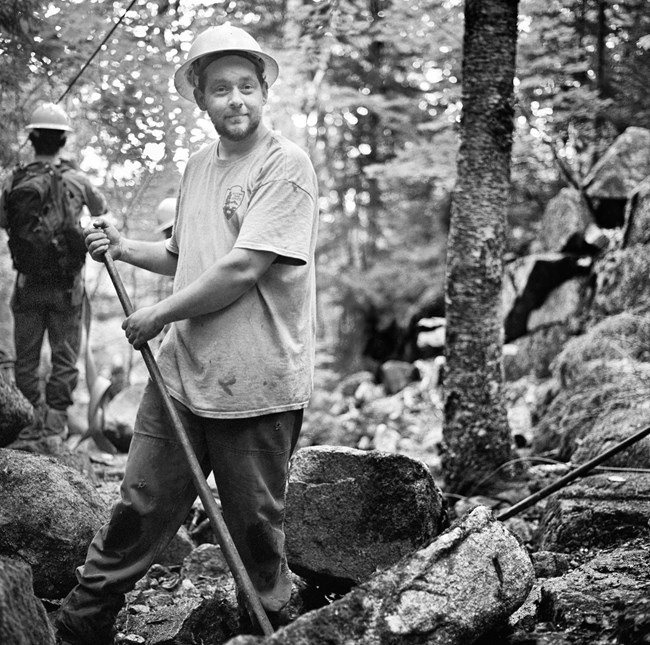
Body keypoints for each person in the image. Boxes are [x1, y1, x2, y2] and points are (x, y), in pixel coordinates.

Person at [55, 24, 319, 644]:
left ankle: (277, 625)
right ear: (200, 98)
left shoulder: (287, 166)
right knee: (139, 507)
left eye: (247, 87)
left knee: (256, 527)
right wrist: (123, 248)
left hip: (256, 381)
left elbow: (243, 267)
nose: (236, 100)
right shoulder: (199, 166)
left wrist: (160, 314)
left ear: (264, 92)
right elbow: (187, 253)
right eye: (221, 88)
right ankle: (78, 623)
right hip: (181, 375)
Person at [0, 103, 108, 442]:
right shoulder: (77, 179)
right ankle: (55, 427)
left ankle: (30, 424)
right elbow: (102, 213)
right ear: (63, 139)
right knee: (65, 357)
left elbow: (4, 221)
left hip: (28, 284)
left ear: (31, 138)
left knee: (27, 359)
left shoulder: (15, 180)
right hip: (68, 288)